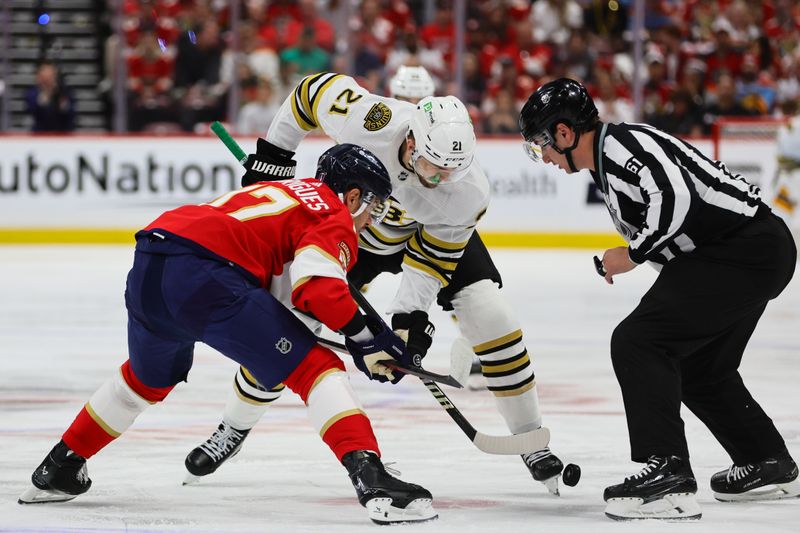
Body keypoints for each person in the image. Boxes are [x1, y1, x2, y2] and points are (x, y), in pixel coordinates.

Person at [184, 72, 566, 495]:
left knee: (490, 314)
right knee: (292, 327)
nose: (437, 180)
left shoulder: (466, 192)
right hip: (357, 230)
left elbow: (430, 260)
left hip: (426, 236)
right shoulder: (371, 119)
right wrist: (276, 156)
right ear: (411, 142)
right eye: (430, 167)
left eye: (448, 173)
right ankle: (233, 428)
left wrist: (407, 318)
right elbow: (308, 94)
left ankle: (530, 438)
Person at [18, 144, 438, 525]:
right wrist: (367, 338)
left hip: (152, 258)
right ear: (351, 195)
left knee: (147, 379)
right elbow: (316, 286)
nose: (369, 222)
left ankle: (58, 467)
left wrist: (359, 333)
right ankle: (374, 481)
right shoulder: (332, 213)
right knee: (316, 368)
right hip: (205, 275)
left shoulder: (289, 192)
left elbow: (282, 284)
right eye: (374, 208)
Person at [519, 78, 799, 520]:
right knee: (701, 368)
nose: (545, 157)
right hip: (748, 252)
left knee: (639, 342)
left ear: (564, 132)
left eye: (542, 144)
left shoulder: (622, 145)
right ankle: (768, 461)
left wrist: (630, 255)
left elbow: (676, 199)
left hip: (746, 250)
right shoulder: (607, 165)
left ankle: (667, 474)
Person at [24, 61, 75, 132]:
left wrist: (64, 104)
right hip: (40, 133)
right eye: (45, 76)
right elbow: (31, 110)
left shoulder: (64, 92)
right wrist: (45, 95)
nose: (48, 79)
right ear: (39, 77)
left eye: (50, 76)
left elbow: (72, 114)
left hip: (61, 133)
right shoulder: (32, 93)